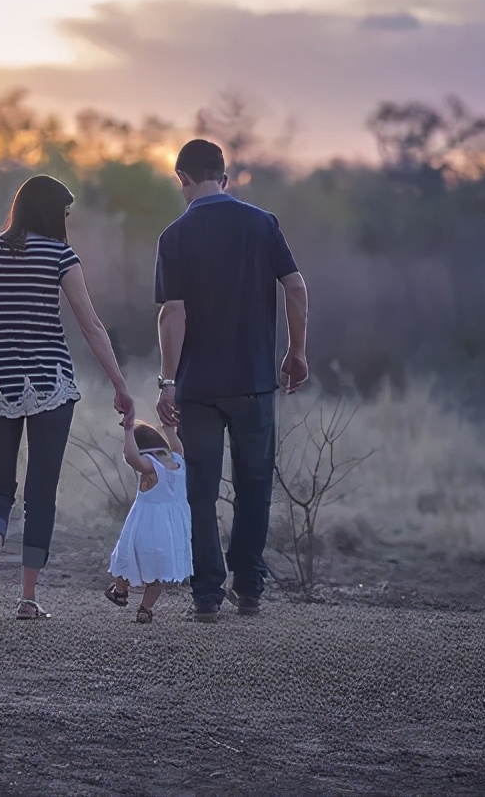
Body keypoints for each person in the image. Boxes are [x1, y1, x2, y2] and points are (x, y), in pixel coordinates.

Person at [0, 174, 134, 620]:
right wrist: (120, 385)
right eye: (64, 212)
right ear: (51, 212)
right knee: (41, 492)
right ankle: (28, 598)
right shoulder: (60, 255)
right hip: (50, 383)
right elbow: (91, 326)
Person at [154, 139, 310, 622]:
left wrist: (167, 381)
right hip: (255, 381)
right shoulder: (262, 224)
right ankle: (249, 587)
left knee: (200, 490)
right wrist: (296, 351)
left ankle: (206, 595)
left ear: (182, 178)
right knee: (255, 485)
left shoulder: (175, 235)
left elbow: (172, 313)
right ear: (224, 176)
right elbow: (296, 287)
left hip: (198, 387)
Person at [105, 420, 192, 624]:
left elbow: (131, 457)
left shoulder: (150, 468)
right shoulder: (178, 461)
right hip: (173, 529)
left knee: (128, 557)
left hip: (146, 525)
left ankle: (120, 590)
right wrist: (168, 426)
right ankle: (145, 608)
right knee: (160, 571)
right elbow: (178, 445)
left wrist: (128, 430)